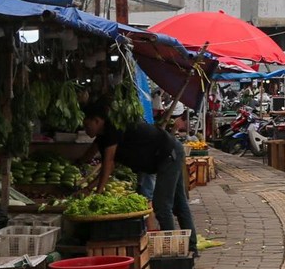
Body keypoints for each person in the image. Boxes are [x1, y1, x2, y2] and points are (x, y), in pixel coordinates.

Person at [81, 102, 199, 255]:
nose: (85, 129)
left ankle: (172, 252)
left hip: (168, 154)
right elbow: (104, 166)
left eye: (86, 124)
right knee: (177, 202)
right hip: (166, 154)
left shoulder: (112, 130)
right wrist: (88, 185)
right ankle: (190, 247)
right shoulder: (103, 137)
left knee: (162, 205)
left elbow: (108, 165)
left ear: (97, 120)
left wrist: (96, 193)